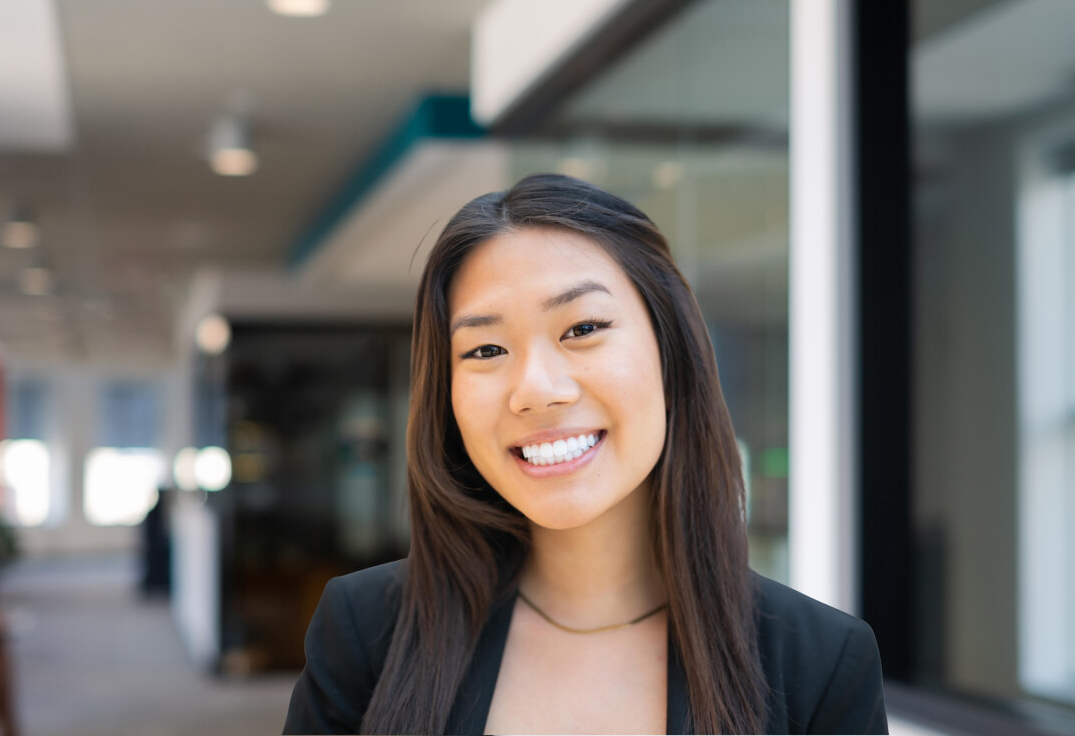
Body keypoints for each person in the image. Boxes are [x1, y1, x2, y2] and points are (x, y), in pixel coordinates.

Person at [283, 173, 887, 735]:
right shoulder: (365, 633)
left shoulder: (820, 664)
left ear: (669, 350)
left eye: (582, 329)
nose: (537, 390)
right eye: (487, 350)